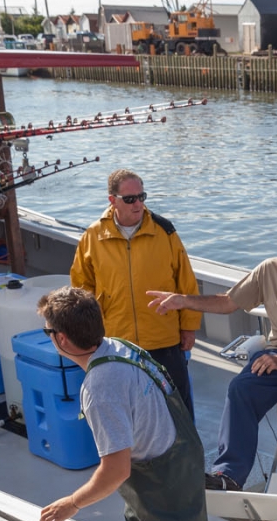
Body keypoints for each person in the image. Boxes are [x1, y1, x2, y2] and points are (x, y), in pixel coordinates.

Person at [147, 214, 277, 499]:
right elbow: (228, 301)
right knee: (241, 389)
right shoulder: (268, 270)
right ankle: (228, 475)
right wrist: (182, 300)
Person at [36, 288, 218, 521]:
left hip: (164, 483)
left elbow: (117, 471)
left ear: (61, 339)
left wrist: (72, 503)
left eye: (47, 331)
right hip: (179, 456)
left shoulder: (100, 388)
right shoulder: (119, 347)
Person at [69, 169, 201, 416]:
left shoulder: (166, 232)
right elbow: (81, 288)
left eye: (142, 196)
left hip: (163, 338)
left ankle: (186, 454)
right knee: (125, 408)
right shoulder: (93, 236)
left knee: (177, 409)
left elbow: (186, 284)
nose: (138, 204)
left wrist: (189, 327)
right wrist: (88, 333)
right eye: (130, 199)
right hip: (116, 341)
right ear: (112, 200)